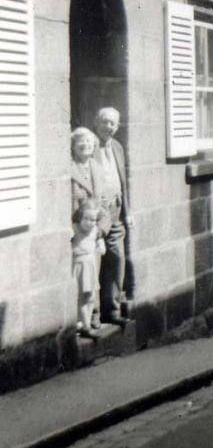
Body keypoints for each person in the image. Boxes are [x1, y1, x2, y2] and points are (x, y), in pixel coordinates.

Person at [92, 107, 134, 326]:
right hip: (99, 214)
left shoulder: (117, 147)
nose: (108, 127)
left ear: (117, 127)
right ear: (96, 122)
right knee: (95, 260)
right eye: (105, 122)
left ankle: (112, 309)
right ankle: (94, 313)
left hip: (117, 212)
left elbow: (123, 182)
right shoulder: (89, 146)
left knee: (117, 258)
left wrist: (128, 212)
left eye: (113, 124)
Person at [71, 127, 110, 330]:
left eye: (88, 141)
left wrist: (101, 231)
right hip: (78, 235)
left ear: (94, 145)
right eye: (81, 142)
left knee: (92, 282)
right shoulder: (70, 169)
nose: (85, 145)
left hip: (95, 232)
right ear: (73, 145)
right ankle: (80, 324)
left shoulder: (97, 167)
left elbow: (104, 202)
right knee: (79, 284)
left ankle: (92, 320)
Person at [72, 199, 106, 339]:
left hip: (90, 265)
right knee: (83, 297)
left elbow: (101, 246)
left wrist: (100, 246)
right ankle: (85, 326)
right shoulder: (74, 229)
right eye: (86, 219)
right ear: (80, 217)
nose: (90, 223)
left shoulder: (95, 231)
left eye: (93, 220)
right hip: (79, 266)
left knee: (91, 296)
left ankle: (84, 322)